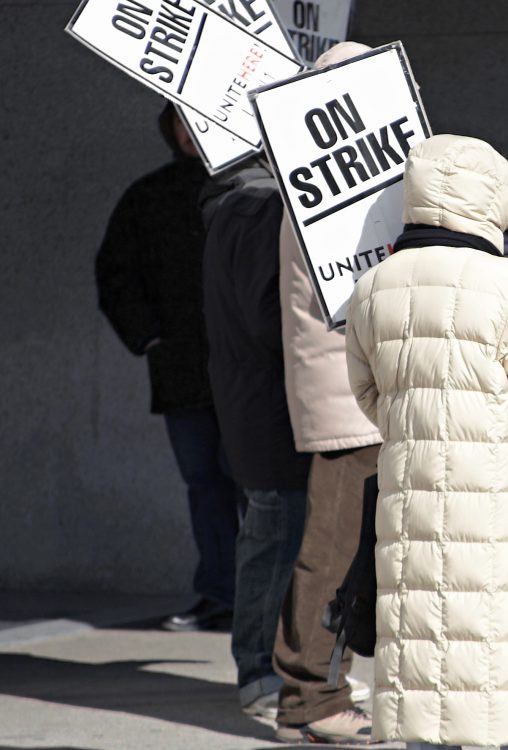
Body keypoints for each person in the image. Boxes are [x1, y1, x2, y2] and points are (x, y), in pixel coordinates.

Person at [345, 134, 508, 750]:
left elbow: (369, 397)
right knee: (505, 690)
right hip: (499, 521)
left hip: (412, 515)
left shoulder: (373, 288)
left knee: (428, 690)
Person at [270, 41, 386, 746]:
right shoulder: (331, 195)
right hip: (348, 398)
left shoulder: (315, 183)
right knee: (333, 551)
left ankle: (322, 681)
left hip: (349, 391)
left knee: (343, 549)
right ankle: (309, 698)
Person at [95, 103, 243, 633]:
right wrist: (150, 337)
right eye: (179, 121)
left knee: (252, 483)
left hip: (246, 367)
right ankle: (220, 594)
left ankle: (262, 597)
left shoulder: (252, 190)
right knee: (204, 482)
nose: (189, 132)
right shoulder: (148, 196)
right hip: (181, 369)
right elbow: (116, 274)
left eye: (196, 119)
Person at [199, 160, 311, 719]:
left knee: (282, 533)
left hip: (264, 401)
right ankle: (260, 672)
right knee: (276, 535)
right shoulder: (259, 208)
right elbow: (270, 317)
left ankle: (280, 670)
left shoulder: (244, 205)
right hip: (271, 405)